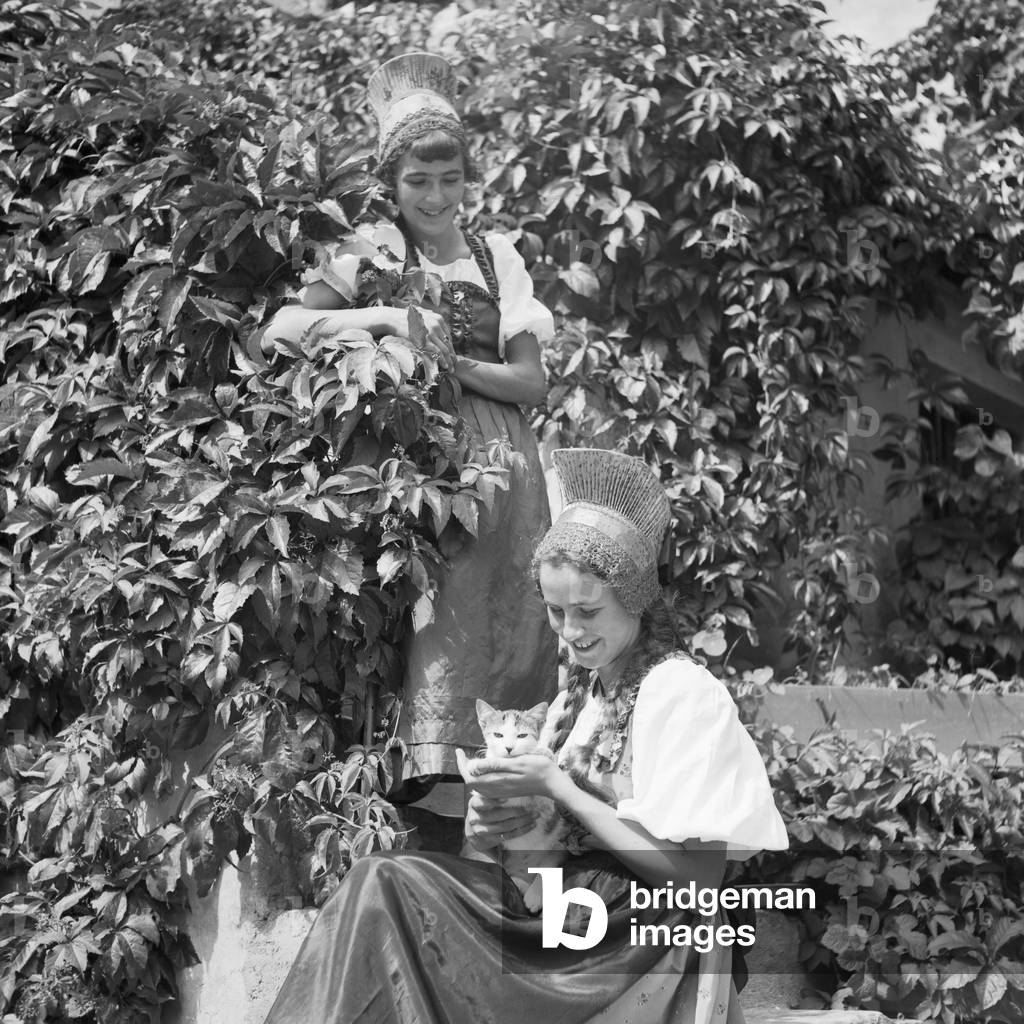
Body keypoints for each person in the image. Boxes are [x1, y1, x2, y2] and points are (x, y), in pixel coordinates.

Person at [261, 448, 789, 1024]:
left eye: (587, 611)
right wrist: (486, 830)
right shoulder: (575, 700)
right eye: (557, 613)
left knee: (390, 889)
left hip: (633, 934)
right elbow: (526, 843)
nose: (571, 632)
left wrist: (559, 789)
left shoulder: (681, 692)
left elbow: (700, 883)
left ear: (635, 597)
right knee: (378, 881)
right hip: (558, 911)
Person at [262, 52, 558, 786]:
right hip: (423, 469)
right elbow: (281, 329)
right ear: (390, 184)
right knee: (440, 624)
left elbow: (530, 381)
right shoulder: (372, 251)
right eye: (418, 181)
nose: (436, 196)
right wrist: (392, 316)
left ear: (468, 179)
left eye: (451, 179)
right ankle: (426, 779)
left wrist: (447, 355)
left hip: (510, 477)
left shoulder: (496, 260)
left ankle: (514, 788)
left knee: (521, 617)